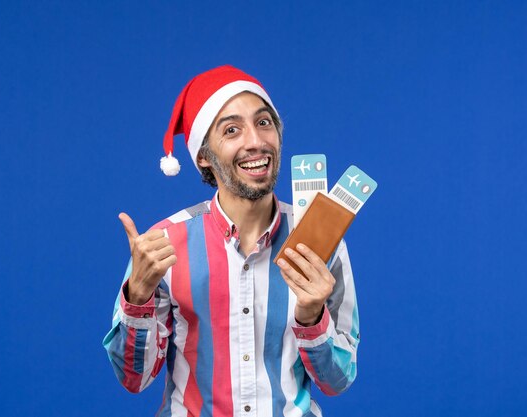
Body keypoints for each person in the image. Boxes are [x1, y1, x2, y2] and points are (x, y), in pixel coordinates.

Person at [103, 65, 359, 417]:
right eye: (232, 130)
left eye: (264, 122)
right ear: (203, 157)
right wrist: (138, 296)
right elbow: (134, 379)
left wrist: (312, 316)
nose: (255, 141)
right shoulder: (161, 245)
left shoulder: (322, 242)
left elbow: (337, 381)